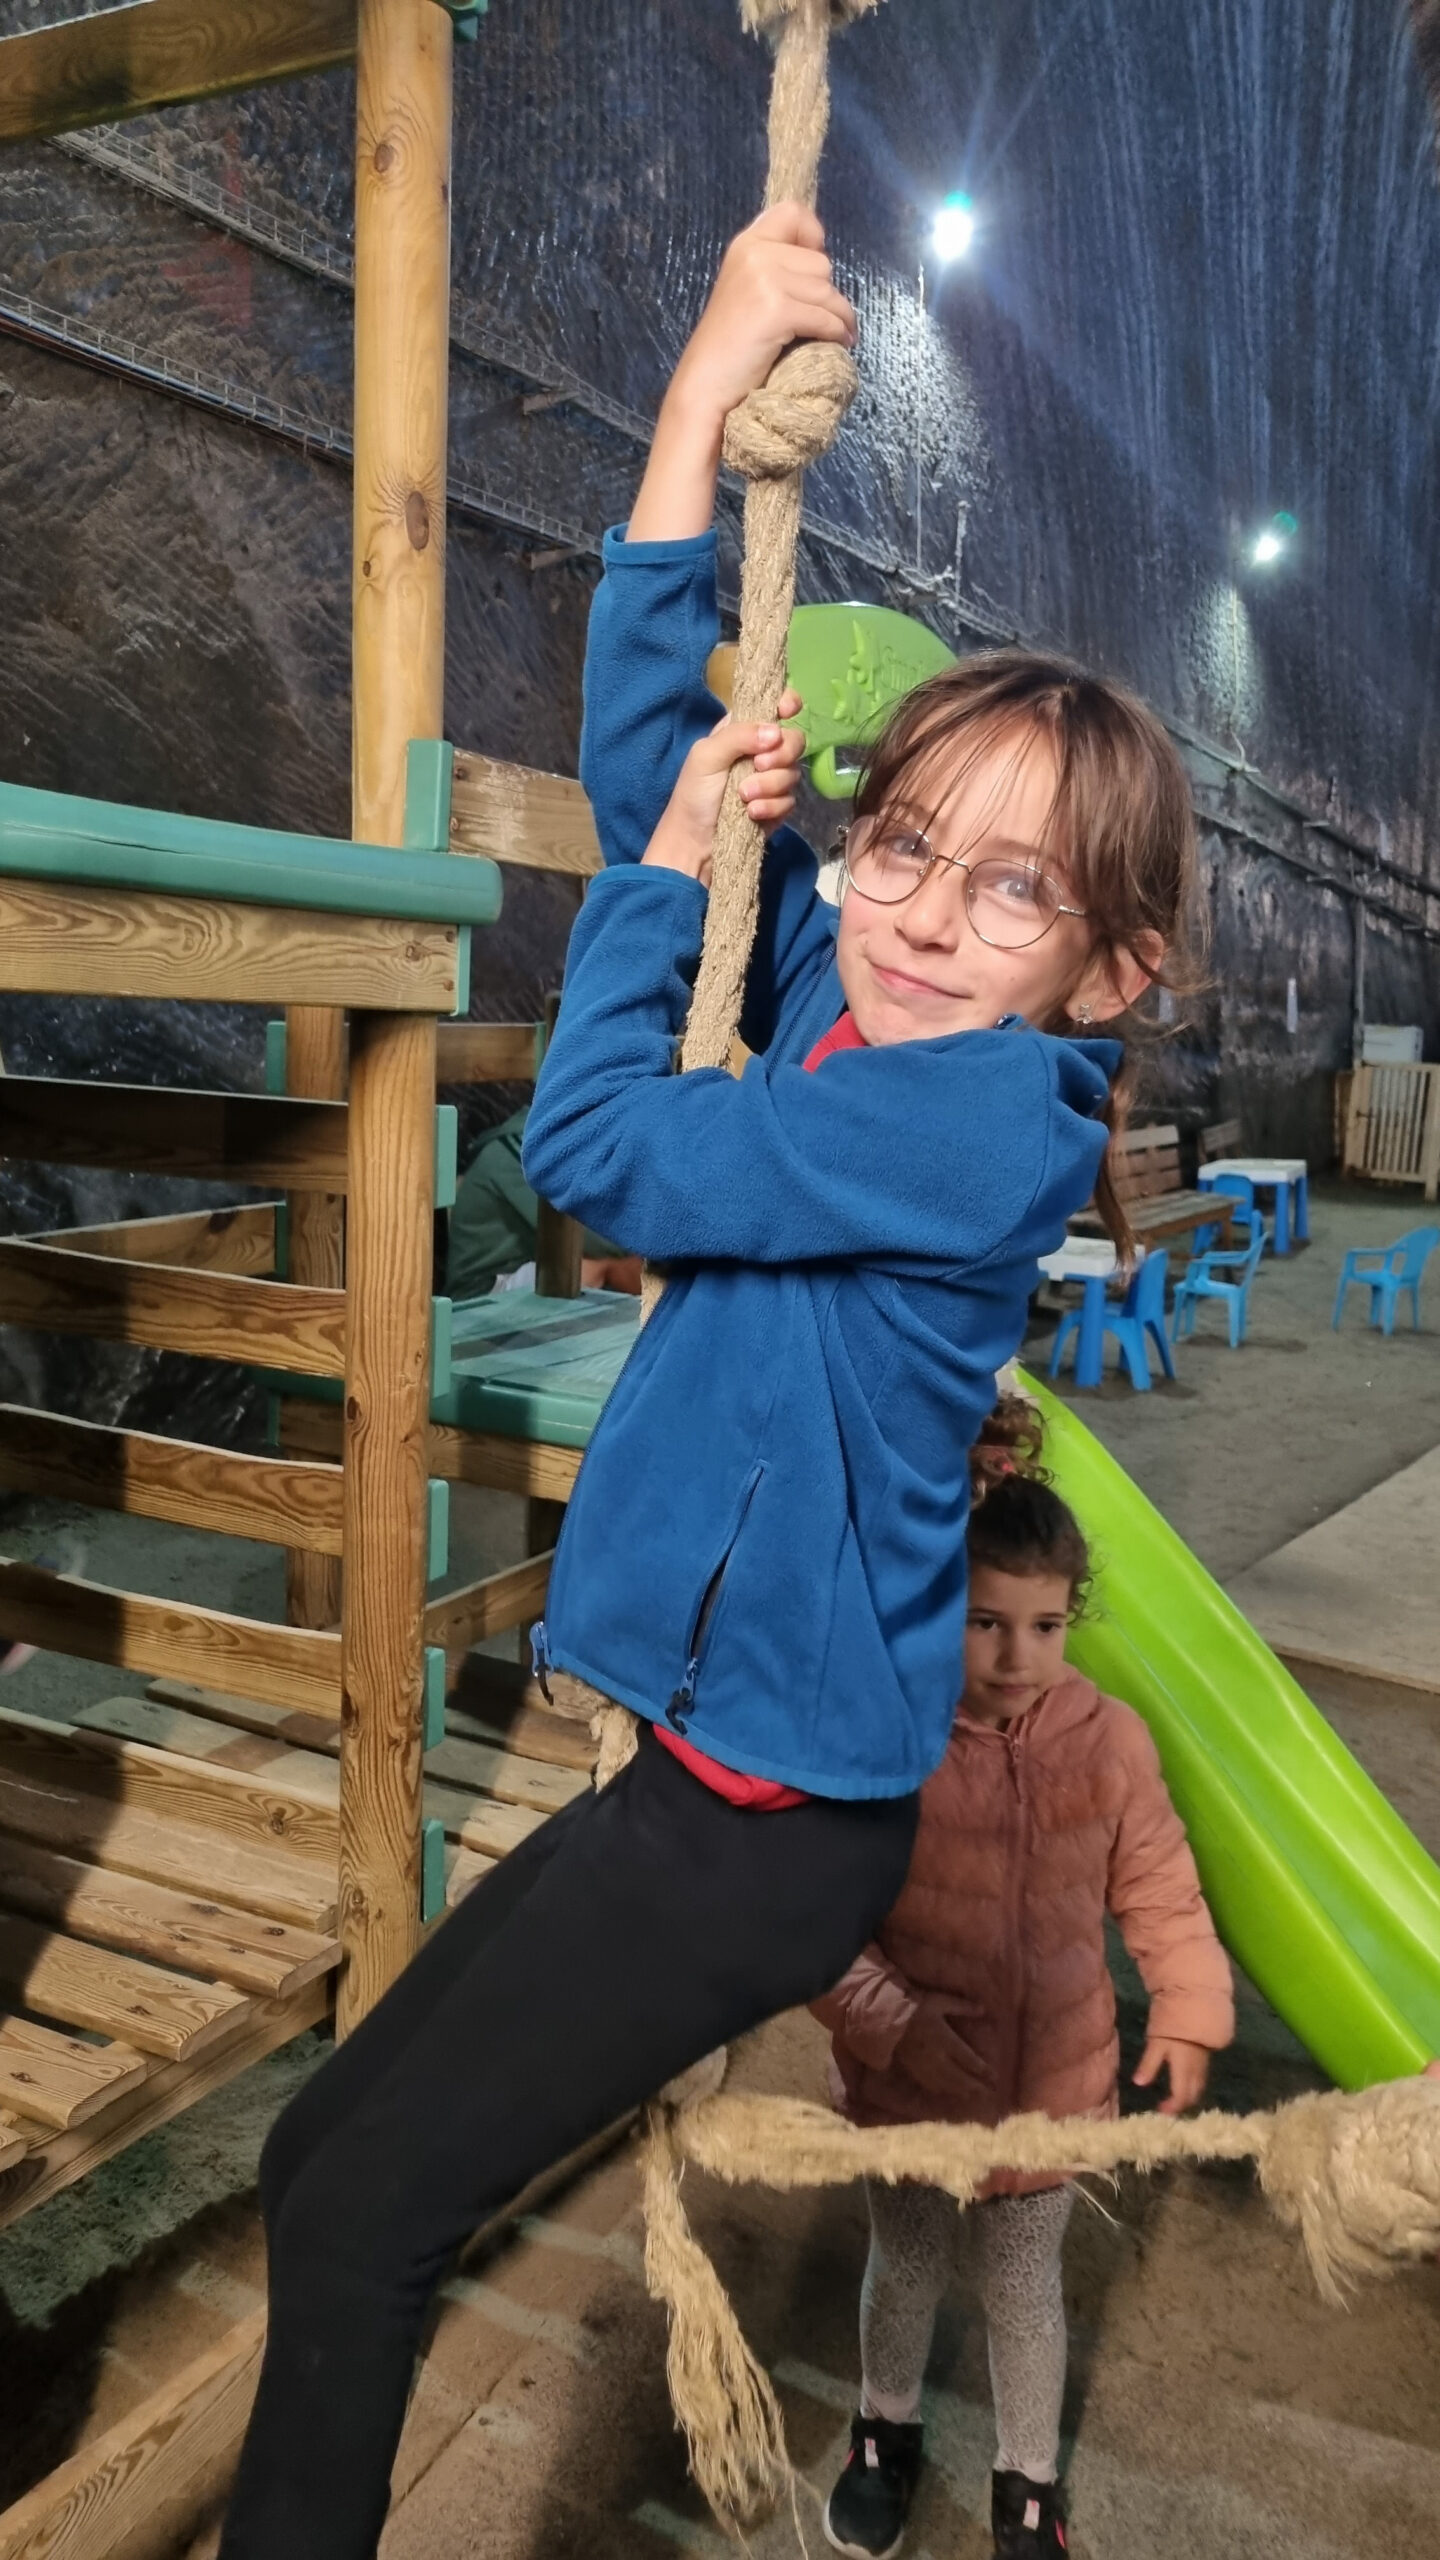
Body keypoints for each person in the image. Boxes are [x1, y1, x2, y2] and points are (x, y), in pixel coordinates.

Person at [217, 206, 1201, 2559]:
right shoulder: (860, 1006)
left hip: (762, 1825)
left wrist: (663, 890)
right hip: (704, 1770)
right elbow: (655, 758)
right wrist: (691, 399)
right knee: (317, 2157)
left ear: (1104, 972)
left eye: (1009, 891)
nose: (918, 908)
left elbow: (597, 1151)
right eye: (900, 844)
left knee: (360, 2224)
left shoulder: (972, 1118)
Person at [816, 1459, 1234, 2560]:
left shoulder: (1111, 1743)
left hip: (1054, 2089)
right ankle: (883, 2429)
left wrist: (1187, 2004)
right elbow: (818, 1925)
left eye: (1045, 1626)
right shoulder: (891, 1743)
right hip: (912, 2093)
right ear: (940, 1611)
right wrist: (893, 2027)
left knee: (1023, 2288)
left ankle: (1028, 2481)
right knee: (905, 2265)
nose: (1017, 1657)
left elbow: (1159, 1882)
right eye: (986, 1623)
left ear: (1071, 1619)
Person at [445, 1101, 641, 1298]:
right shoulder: (524, 1150)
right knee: (588, 1270)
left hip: (536, 1274)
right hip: (481, 1295)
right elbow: (602, 1237)